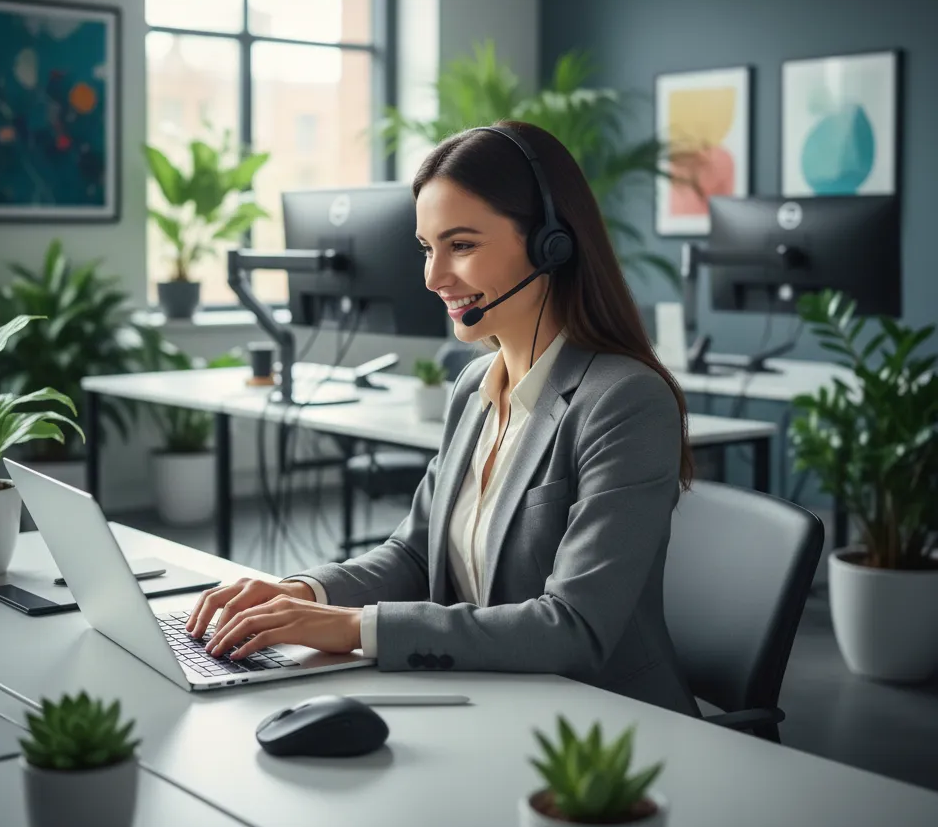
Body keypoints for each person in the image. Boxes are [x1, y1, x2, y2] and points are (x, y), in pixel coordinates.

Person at [187, 120, 698, 715]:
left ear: (551, 245)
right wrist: (303, 592)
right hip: (490, 697)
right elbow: (414, 553)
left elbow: (574, 628)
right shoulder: (475, 385)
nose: (433, 278)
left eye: (461, 245)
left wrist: (352, 627)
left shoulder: (623, 401)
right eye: (427, 249)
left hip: (602, 727)